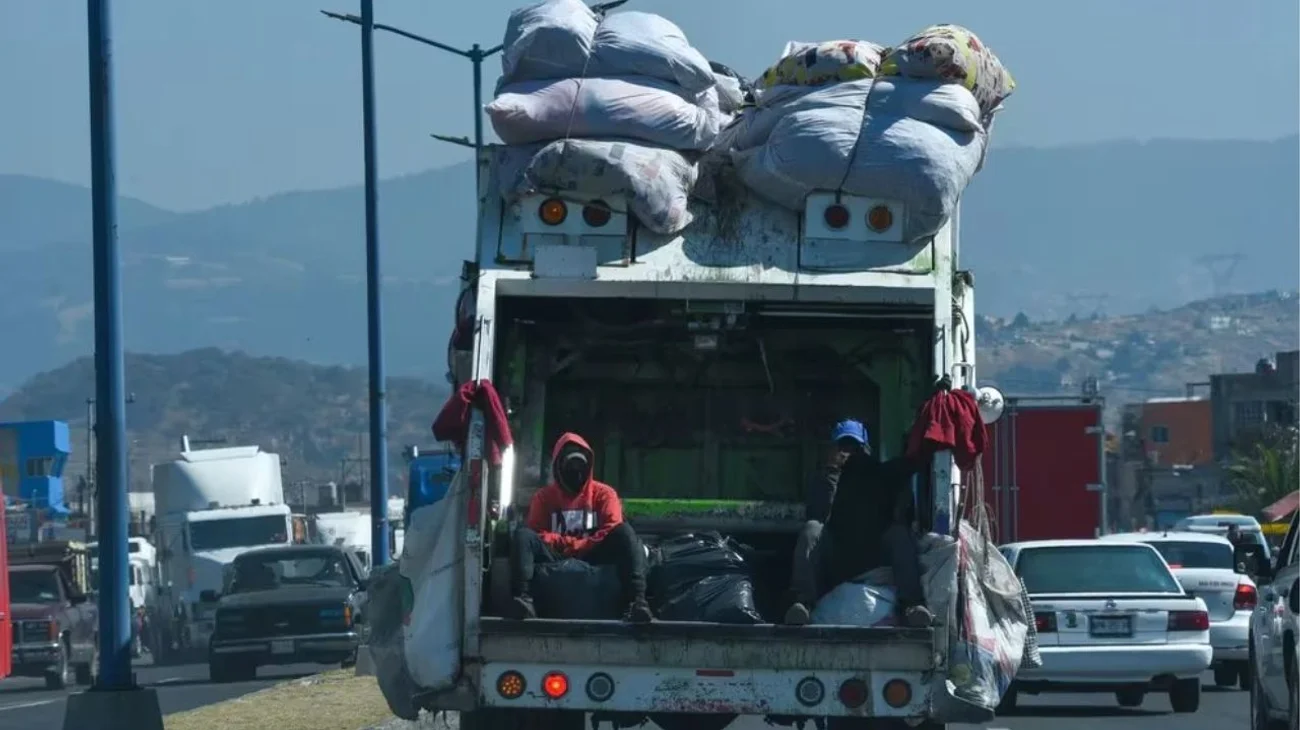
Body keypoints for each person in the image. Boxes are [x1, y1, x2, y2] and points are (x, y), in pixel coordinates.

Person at [786, 419, 934, 628]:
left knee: (899, 533)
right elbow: (821, 514)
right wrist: (834, 473)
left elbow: (909, 466)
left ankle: (912, 605)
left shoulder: (879, 474)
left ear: (865, 449)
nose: (848, 453)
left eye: (854, 448)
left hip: (874, 558)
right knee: (812, 529)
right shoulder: (824, 478)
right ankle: (803, 604)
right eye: (843, 447)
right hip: (838, 559)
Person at [508, 432, 653, 623]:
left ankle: (637, 602)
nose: (576, 471)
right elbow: (536, 531)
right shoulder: (543, 498)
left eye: (581, 465)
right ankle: (524, 600)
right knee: (522, 536)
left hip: (594, 552)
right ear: (559, 467)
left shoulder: (604, 494)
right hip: (557, 554)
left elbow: (612, 526)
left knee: (625, 533)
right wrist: (566, 543)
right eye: (570, 465)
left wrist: (581, 545)